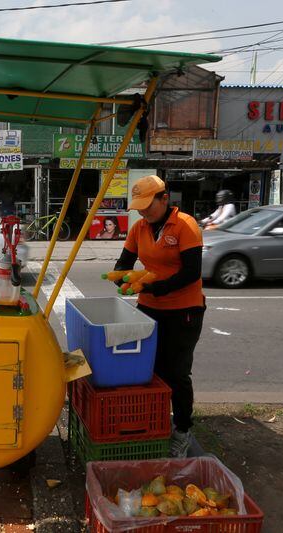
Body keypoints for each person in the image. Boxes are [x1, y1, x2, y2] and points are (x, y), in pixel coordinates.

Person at [113, 175, 205, 458]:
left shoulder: (186, 226)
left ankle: (182, 430)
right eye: (139, 207)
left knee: (177, 373)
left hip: (183, 311)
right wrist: (122, 279)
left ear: (164, 199)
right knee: (149, 369)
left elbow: (191, 272)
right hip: (150, 309)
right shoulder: (139, 228)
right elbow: (123, 263)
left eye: (147, 206)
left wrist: (155, 287)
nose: (143, 212)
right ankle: (155, 423)